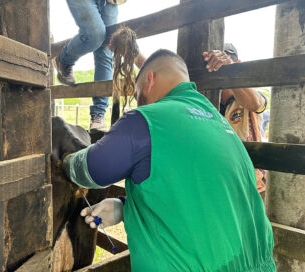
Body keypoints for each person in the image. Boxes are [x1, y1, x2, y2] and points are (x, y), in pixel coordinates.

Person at [62, 49, 275, 271]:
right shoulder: (219, 122)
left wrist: (65, 160)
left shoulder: (148, 119)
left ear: (149, 81)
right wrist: (126, 209)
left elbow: (93, 168)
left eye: (137, 95)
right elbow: (197, 196)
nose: (139, 103)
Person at [203, 43, 268, 198]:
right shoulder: (206, 102)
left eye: (224, 59)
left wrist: (230, 70)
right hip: (218, 185)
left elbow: (256, 103)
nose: (218, 65)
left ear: (237, 64)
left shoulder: (248, 95)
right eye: (212, 63)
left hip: (250, 186)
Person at [55, 0, 124, 131]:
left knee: (106, 50)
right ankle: (64, 59)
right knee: (94, 35)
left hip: (111, 2)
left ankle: (98, 114)